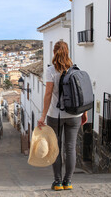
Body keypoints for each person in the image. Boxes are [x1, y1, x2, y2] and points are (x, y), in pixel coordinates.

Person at [37, 40, 88, 191]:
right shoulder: (76, 69)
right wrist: (84, 113)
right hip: (74, 115)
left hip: (56, 115)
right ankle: (68, 181)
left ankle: (58, 182)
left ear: (54, 53)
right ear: (68, 52)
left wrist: (42, 116)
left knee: (56, 148)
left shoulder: (51, 70)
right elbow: (82, 93)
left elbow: (47, 94)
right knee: (70, 148)